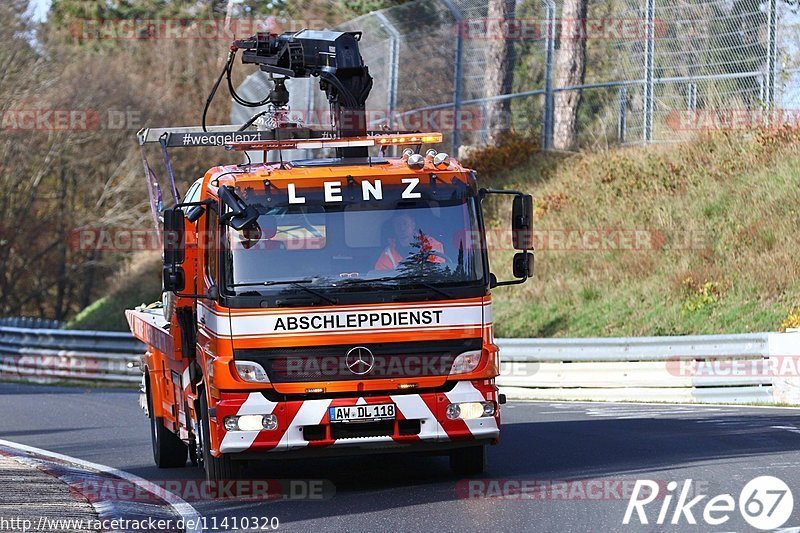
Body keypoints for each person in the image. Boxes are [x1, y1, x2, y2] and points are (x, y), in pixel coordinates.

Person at [374, 213, 445, 270]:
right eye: (398, 224)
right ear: (394, 228)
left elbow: (438, 270)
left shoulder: (432, 245)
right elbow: (381, 275)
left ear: (413, 224)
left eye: (405, 223)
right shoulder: (388, 254)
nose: (402, 228)